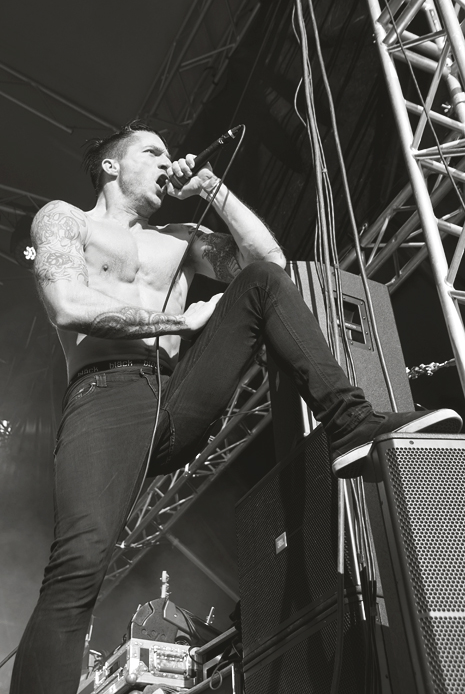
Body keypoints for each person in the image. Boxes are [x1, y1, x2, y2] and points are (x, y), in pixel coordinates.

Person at [10, 121, 461, 694]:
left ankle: (349, 422)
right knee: (78, 567)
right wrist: (179, 322)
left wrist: (211, 188)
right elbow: (67, 305)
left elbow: (269, 261)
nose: (166, 162)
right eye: (152, 152)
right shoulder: (65, 220)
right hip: (105, 397)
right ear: (111, 165)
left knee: (261, 283)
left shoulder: (179, 237)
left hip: (174, 396)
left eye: (169, 155)